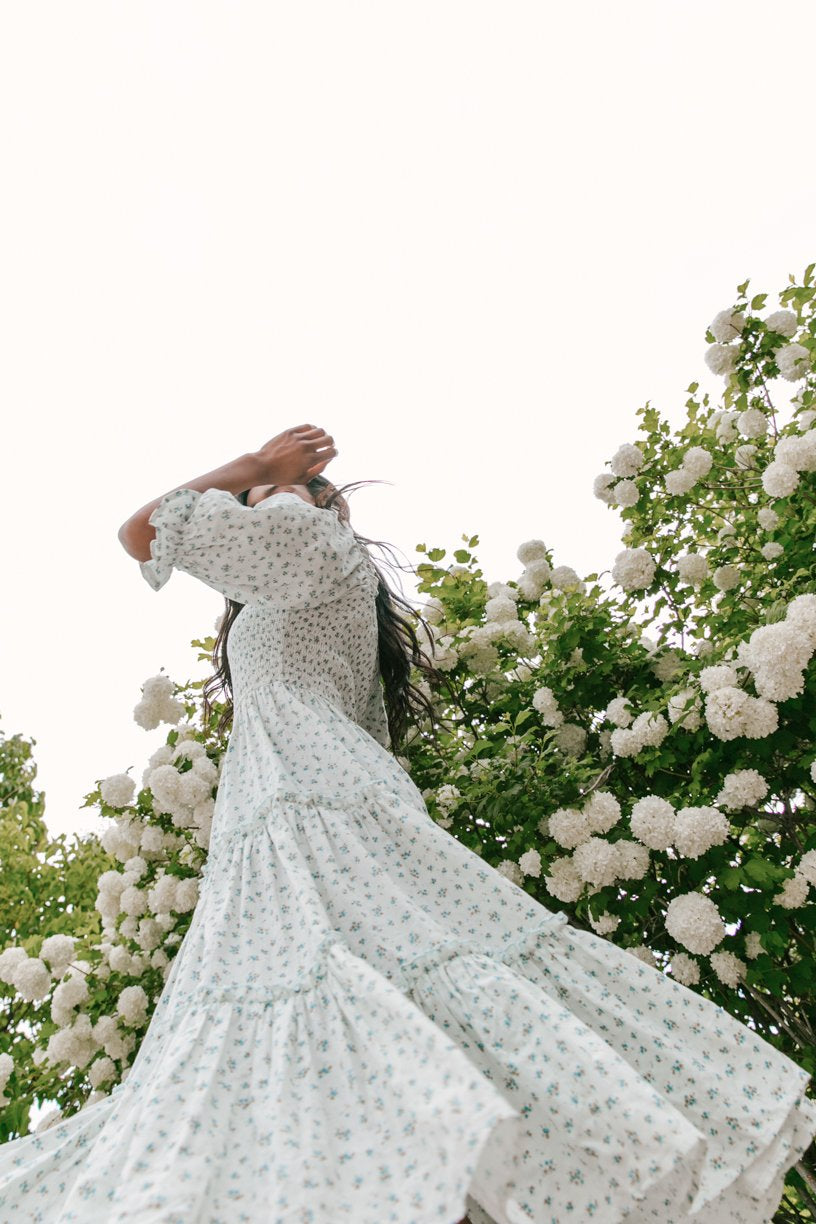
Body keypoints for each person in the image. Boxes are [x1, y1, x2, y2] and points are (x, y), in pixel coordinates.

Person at [0, 423, 814, 1223]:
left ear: (314, 504)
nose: (248, 510)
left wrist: (262, 467)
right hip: (308, 806)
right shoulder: (318, 580)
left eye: (259, 502)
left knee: (347, 1014)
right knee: (379, 1019)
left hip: (309, 812)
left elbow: (139, 531)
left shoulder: (307, 535)